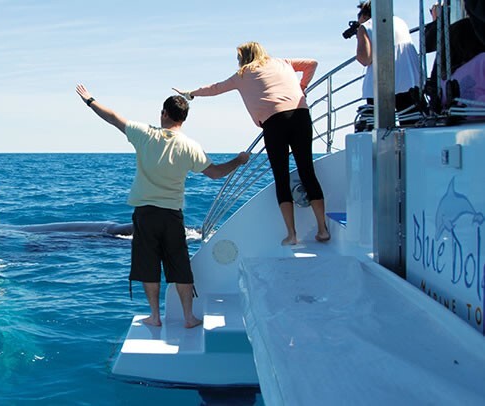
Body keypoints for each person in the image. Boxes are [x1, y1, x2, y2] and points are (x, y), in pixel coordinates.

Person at [75, 84, 249, 329]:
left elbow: (112, 117)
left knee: (148, 266)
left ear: (164, 114)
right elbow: (216, 173)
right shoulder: (190, 146)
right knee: (179, 266)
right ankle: (189, 317)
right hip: (172, 215)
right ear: (184, 119)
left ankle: (155, 317)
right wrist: (239, 161)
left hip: (145, 214)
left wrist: (90, 100)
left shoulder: (145, 134)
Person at [173, 41, 328, 246]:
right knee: (307, 171)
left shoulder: (243, 74)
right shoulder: (283, 62)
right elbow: (312, 64)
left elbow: (215, 88)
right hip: (301, 115)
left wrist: (191, 93)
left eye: (238, 58)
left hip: (275, 124)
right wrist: (302, 87)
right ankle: (323, 229)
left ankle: (292, 235)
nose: (238, 63)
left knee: (281, 178)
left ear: (244, 58)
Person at [354, 0, 421, 123]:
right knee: (412, 124)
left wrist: (360, 36)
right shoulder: (400, 22)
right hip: (410, 81)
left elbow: (365, 59)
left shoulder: (366, 26)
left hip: (380, 85)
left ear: (364, 16)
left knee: (381, 131)